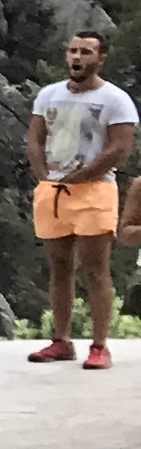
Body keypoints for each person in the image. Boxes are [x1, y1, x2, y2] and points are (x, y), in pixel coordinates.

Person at [25, 30, 140, 368]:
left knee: (95, 269)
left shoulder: (115, 99)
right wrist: (43, 174)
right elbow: (35, 137)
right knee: (59, 267)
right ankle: (60, 340)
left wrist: (85, 174)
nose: (77, 57)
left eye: (86, 52)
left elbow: (120, 147)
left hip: (96, 190)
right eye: (73, 51)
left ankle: (99, 345)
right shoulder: (48, 95)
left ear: (100, 58)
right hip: (54, 190)